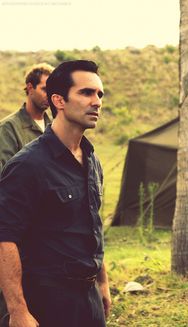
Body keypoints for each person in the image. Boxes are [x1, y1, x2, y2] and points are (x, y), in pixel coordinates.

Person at [0, 60, 111, 327]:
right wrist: (17, 310)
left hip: (89, 299)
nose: (96, 101)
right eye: (86, 93)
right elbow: (5, 237)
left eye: (99, 94)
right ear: (59, 100)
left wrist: (103, 282)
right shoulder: (27, 165)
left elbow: (92, 224)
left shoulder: (92, 159)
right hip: (46, 300)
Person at [0, 63, 54, 172]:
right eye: (44, 89)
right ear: (30, 88)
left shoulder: (55, 126)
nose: (49, 95)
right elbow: (6, 176)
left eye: (52, 91)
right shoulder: (9, 127)